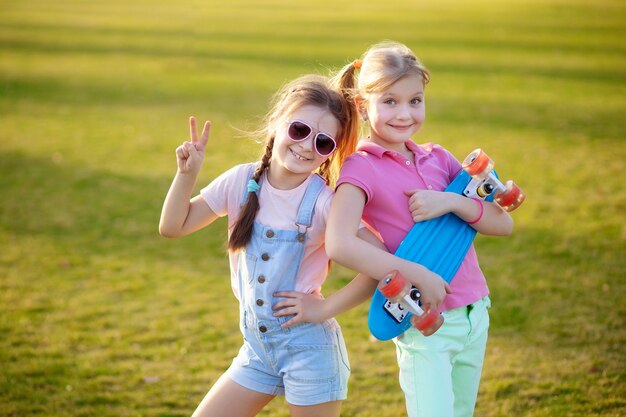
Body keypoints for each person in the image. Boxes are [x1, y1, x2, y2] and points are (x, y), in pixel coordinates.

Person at [158, 74, 442, 417]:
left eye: (323, 143)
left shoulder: (324, 203)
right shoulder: (239, 182)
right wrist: (187, 175)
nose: (307, 146)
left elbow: (380, 265)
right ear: (277, 124)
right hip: (257, 351)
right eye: (299, 130)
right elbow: (173, 226)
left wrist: (323, 309)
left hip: (310, 352)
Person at [280, 42, 514, 417]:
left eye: (415, 100)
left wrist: (452, 201)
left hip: (475, 314)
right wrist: (418, 274)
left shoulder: (439, 158)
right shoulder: (360, 169)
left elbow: (504, 223)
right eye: (390, 101)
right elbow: (340, 244)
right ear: (362, 105)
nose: (404, 113)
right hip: (424, 324)